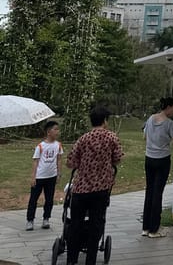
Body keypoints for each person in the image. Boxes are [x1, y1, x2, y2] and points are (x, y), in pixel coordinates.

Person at [66, 106, 124, 265]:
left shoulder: (83, 139)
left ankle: (71, 259)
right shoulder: (111, 138)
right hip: (100, 189)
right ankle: (90, 259)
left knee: (75, 224)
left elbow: (70, 162)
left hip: (81, 188)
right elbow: (118, 158)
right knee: (95, 224)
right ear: (105, 121)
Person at [142, 97, 173, 238]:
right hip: (162, 160)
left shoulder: (151, 119)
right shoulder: (169, 124)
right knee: (158, 193)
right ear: (168, 107)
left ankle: (145, 228)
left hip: (149, 159)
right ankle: (154, 229)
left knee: (149, 192)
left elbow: (145, 137)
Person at [26, 119, 63, 230]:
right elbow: (36, 161)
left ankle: (46, 219)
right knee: (33, 199)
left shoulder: (58, 145)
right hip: (40, 177)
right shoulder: (40, 146)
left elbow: (59, 159)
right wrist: (33, 177)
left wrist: (58, 174)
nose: (57, 131)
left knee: (49, 199)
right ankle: (30, 220)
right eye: (55, 129)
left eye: (58, 129)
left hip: (51, 177)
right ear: (48, 132)